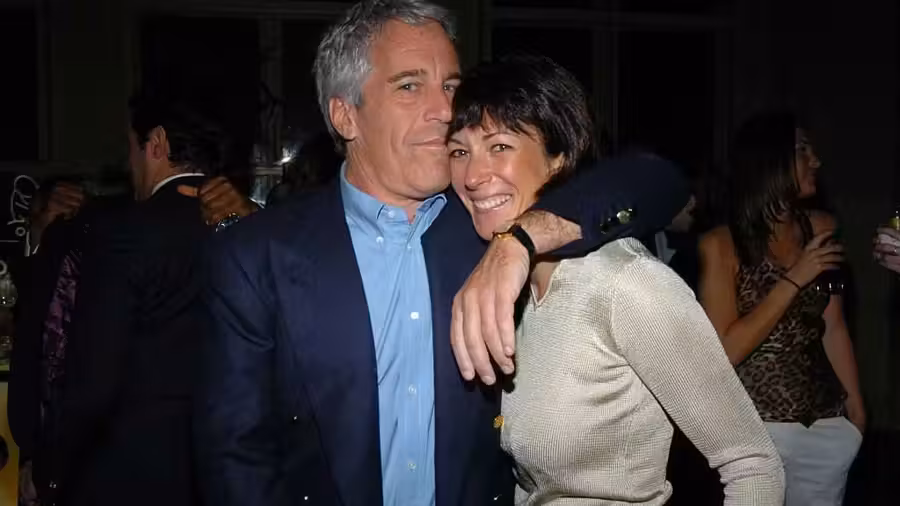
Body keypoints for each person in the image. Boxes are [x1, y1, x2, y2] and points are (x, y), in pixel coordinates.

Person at [195, 1, 687, 505]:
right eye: (410, 86)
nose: (446, 111)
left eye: (451, 86)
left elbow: (658, 181)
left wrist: (521, 241)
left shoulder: (491, 219)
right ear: (346, 115)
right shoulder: (257, 256)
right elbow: (235, 455)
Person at [447, 54, 784, 505]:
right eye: (459, 152)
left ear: (558, 157)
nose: (472, 176)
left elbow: (754, 467)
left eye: (499, 146)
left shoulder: (624, 284)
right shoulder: (512, 288)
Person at [37, 93, 254, 506]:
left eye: (131, 148)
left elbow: (94, 382)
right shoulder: (250, 229)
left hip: (132, 472)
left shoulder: (124, 233)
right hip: (224, 468)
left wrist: (52, 469)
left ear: (156, 143)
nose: (129, 162)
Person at [698, 111, 864, 505]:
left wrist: (857, 413)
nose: (816, 161)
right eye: (803, 149)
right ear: (768, 160)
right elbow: (725, 351)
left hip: (827, 427)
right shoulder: (721, 245)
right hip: (753, 431)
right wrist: (794, 279)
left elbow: (833, 326)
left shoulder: (821, 228)